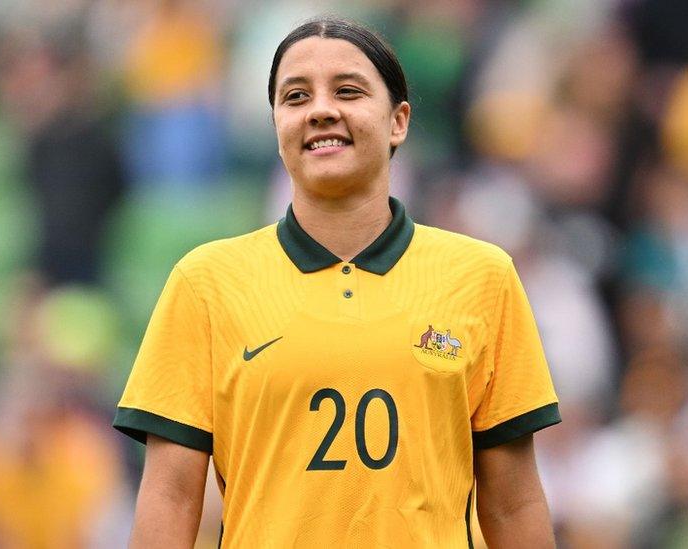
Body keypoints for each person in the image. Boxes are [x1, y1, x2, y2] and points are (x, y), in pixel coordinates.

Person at [113, 17, 560, 548]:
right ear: (277, 126)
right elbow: (171, 497)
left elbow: (513, 502)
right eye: (295, 97)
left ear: (398, 121)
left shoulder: (483, 277)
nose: (321, 109)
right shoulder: (205, 282)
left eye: (348, 91)